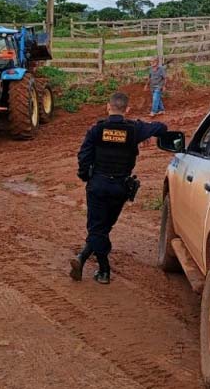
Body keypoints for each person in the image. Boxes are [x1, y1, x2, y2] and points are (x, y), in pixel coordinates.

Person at [72, 92, 167, 284]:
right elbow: (162, 127)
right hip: (120, 188)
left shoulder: (97, 130)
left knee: (98, 228)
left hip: (97, 185)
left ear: (108, 107)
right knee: (104, 227)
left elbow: (83, 157)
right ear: (127, 109)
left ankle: (97, 266)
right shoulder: (134, 130)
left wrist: (86, 178)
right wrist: (144, 134)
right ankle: (96, 265)